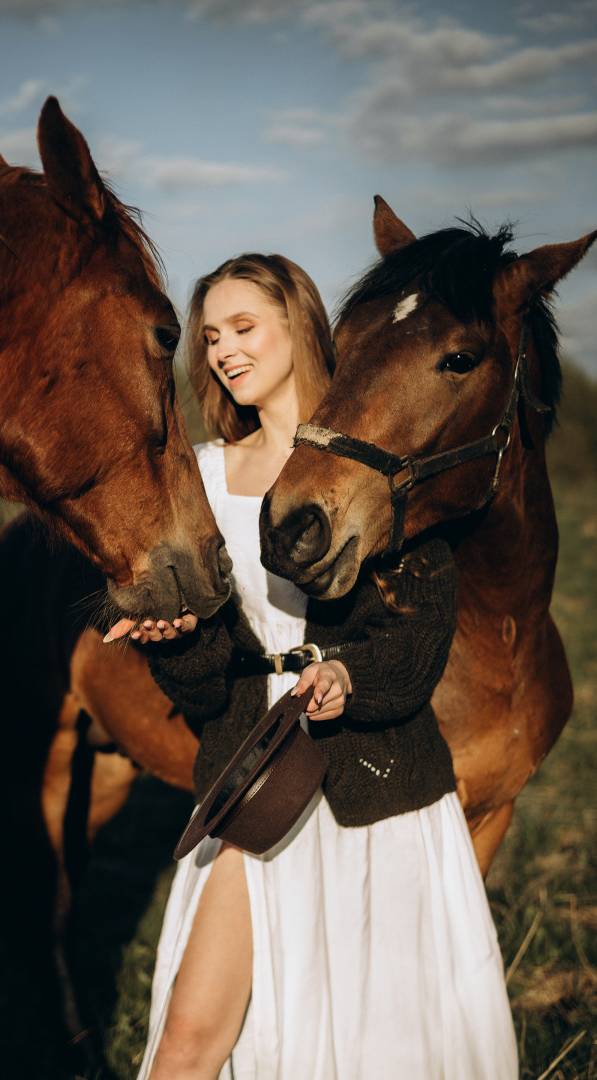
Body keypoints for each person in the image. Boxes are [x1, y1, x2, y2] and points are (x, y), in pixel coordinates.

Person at [104, 253, 518, 1080]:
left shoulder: (382, 447)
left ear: (298, 324)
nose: (223, 350)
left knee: (381, 1050)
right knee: (188, 1043)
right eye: (211, 336)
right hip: (255, 781)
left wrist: (348, 678)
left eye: (244, 327)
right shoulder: (199, 477)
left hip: (378, 790)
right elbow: (206, 682)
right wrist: (175, 637)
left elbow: (418, 638)